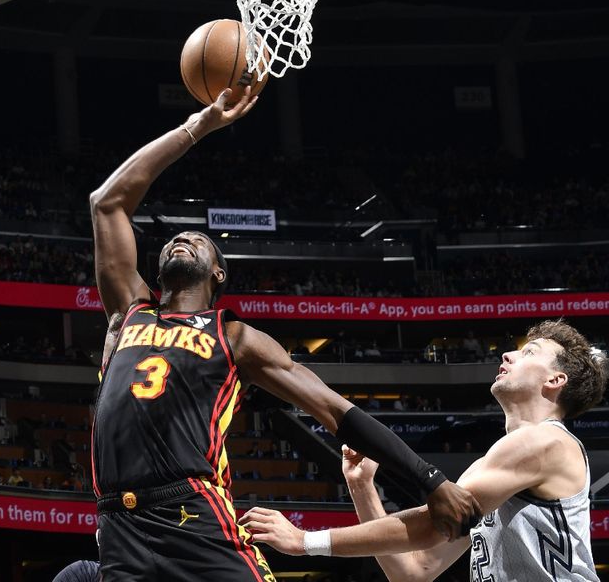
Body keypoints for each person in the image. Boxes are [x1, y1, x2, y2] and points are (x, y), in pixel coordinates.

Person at [89, 86, 478, 581]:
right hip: (119, 528)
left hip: (194, 517)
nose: (183, 239)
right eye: (175, 238)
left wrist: (431, 482)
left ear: (219, 275)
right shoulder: (130, 311)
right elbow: (106, 204)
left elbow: (335, 411)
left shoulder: (236, 339)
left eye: (199, 240)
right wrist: (199, 126)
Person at [240, 320, 605, 582]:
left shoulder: (549, 441)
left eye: (529, 352)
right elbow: (415, 571)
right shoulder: (490, 471)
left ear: (555, 381)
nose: (508, 354)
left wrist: (305, 542)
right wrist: (362, 487)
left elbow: (431, 525)